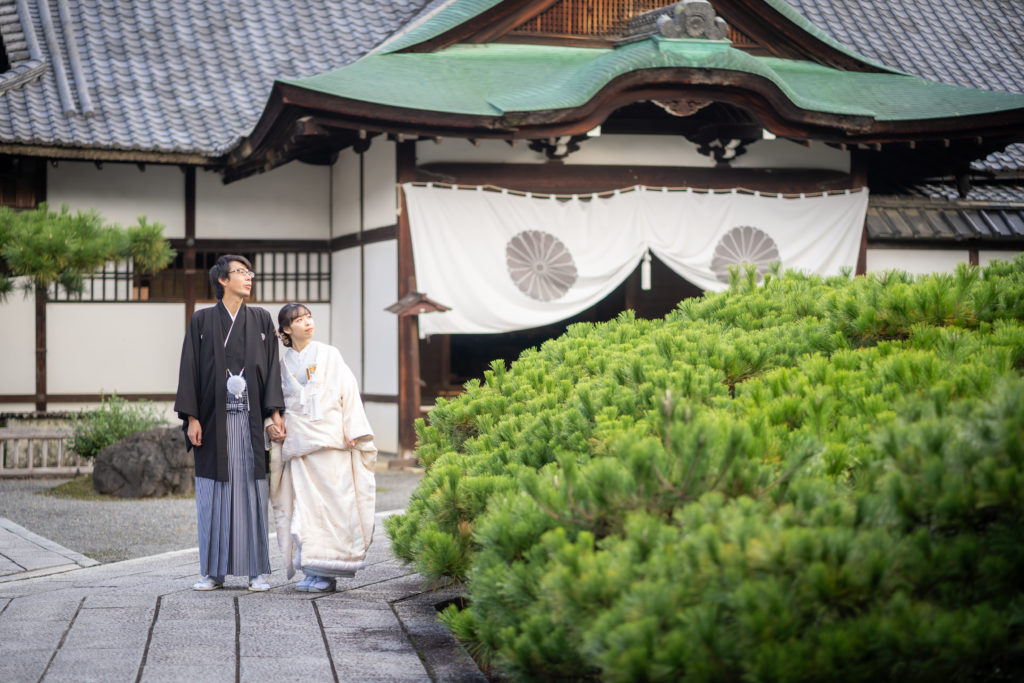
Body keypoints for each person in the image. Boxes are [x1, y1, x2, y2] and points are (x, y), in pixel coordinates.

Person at [174, 255, 285, 591]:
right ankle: (212, 571)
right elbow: (190, 368)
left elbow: (272, 367)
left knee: (252, 492)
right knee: (213, 493)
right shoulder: (202, 320)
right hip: (213, 420)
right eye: (241, 273)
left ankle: (256, 571)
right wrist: (192, 417)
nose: (248, 278)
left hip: (250, 422)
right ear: (222, 280)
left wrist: (274, 412)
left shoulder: (262, 319)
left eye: (249, 273)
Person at [267, 302, 377, 593]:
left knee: (335, 506)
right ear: (287, 330)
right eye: (299, 319)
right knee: (306, 509)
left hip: (330, 442)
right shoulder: (282, 365)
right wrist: (273, 424)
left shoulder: (330, 355)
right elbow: (276, 403)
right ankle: (312, 569)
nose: (307, 322)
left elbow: (348, 391)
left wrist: (353, 430)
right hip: (301, 445)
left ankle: (329, 572)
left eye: (308, 317)